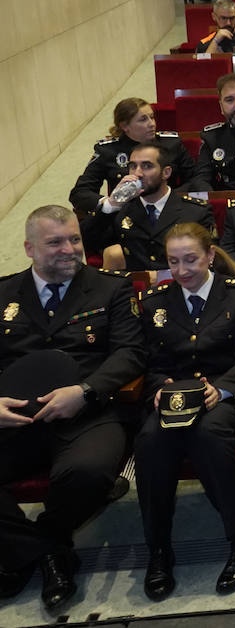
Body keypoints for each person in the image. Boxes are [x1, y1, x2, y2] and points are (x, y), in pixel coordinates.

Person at [0, 205, 143, 609]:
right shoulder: (2, 293)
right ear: (29, 248)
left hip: (88, 414)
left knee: (90, 473)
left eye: (75, 239)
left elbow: (131, 353)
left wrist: (85, 390)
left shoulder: (110, 288)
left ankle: (24, 553)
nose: (69, 249)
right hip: (14, 419)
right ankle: (47, 552)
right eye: (55, 242)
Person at [134, 223, 235, 598]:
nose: (181, 271)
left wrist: (222, 389)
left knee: (208, 433)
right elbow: (151, 363)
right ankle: (158, 548)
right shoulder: (155, 301)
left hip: (233, 392)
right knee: (149, 441)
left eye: (191, 259)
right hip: (176, 399)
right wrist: (158, 387)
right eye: (173, 262)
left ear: (210, 255)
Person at [88, 144, 216, 271]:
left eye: (147, 166)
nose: (137, 173)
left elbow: (210, 260)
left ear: (166, 172)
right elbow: (89, 243)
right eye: (133, 166)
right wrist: (111, 204)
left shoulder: (196, 211)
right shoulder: (122, 210)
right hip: (134, 288)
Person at [69, 98, 193, 215]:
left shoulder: (171, 144)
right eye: (143, 119)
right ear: (124, 126)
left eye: (152, 117)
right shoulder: (108, 151)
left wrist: (169, 198)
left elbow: (195, 178)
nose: (152, 124)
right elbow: (80, 193)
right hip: (124, 216)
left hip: (167, 211)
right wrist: (109, 204)